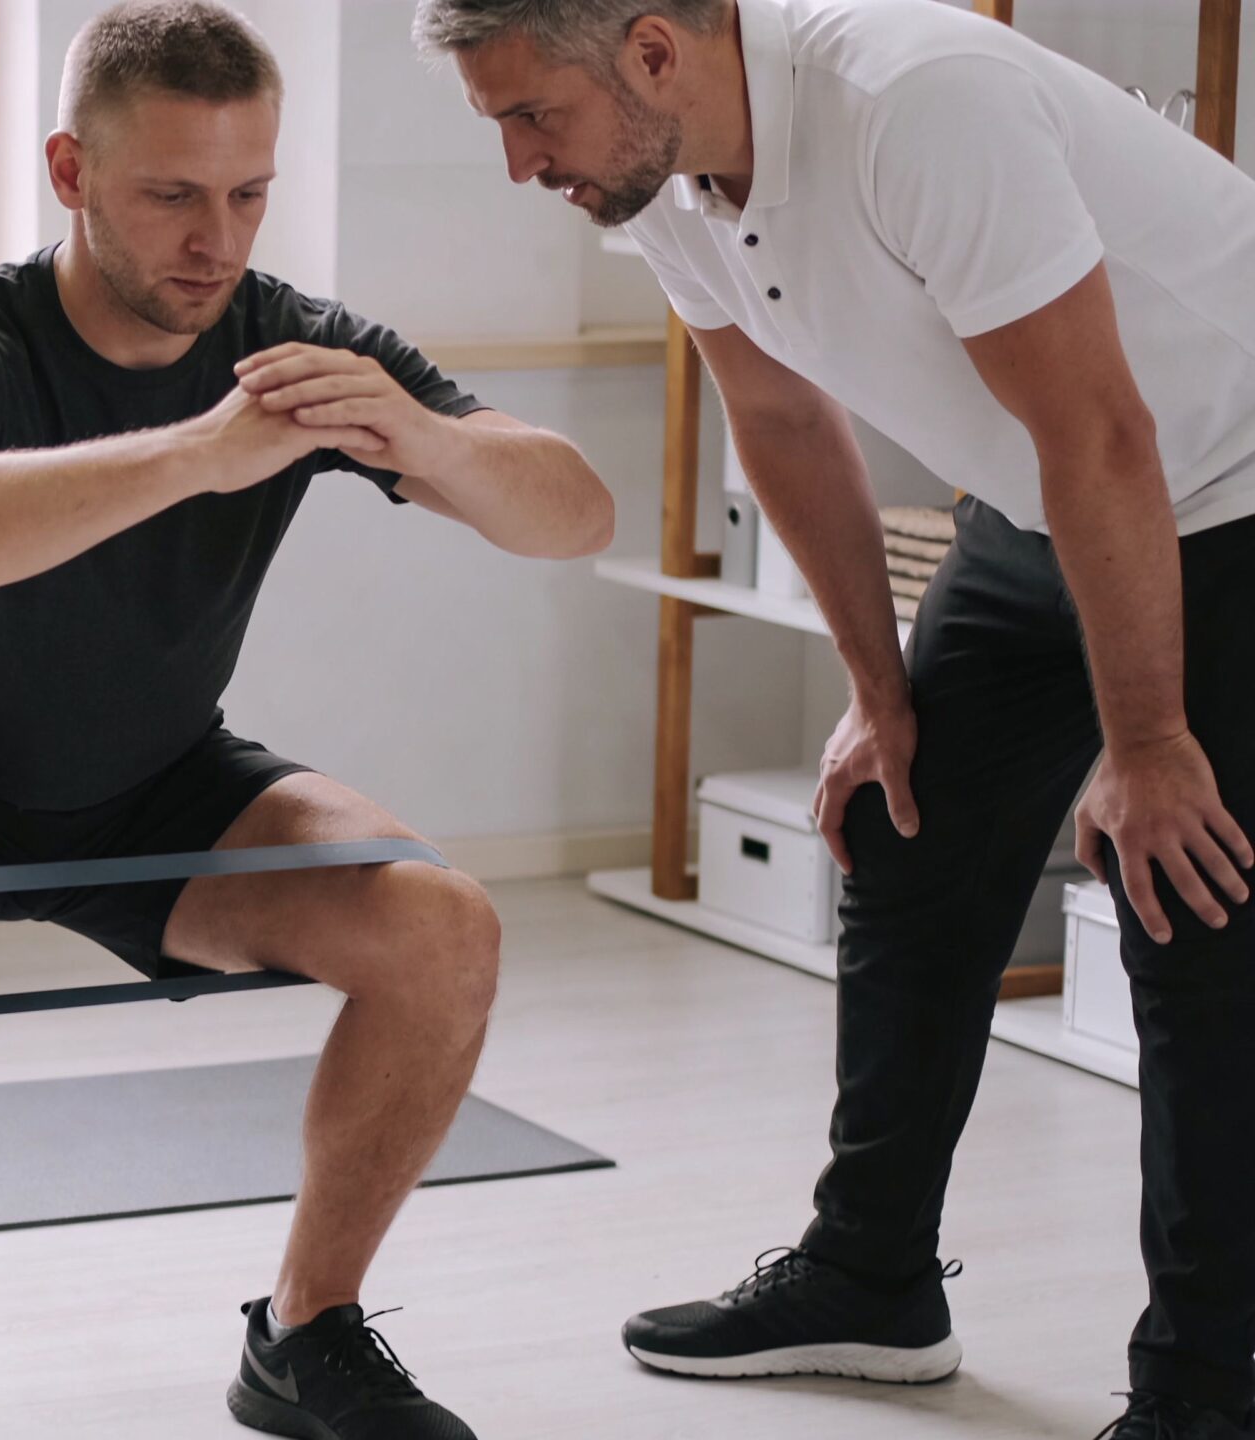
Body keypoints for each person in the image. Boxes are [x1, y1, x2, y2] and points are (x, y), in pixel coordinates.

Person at [0, 3, 615, 1436]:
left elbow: (575, 515)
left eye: (247, 195)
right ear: (72, 172)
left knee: (443, 931)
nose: (217, 241)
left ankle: (306, 1334)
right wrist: (198, 456)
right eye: (171, 196)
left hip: (153, 783)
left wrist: (423, 436)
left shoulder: (295, 341)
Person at [417, 1, 1255, 1435]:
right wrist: (879, 695)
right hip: (1048, 497)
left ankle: (1206, 1391)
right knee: (904, 828)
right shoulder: (662, 175)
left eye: (533, 116)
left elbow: (1105, 432)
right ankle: (872, 1278)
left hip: (1227, 486)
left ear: (655, 51)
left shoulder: (917, 102)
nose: (520, 162)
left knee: (1187, 909)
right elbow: (783, 419)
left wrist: (1150, 744)